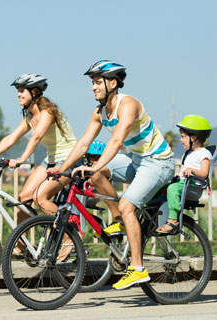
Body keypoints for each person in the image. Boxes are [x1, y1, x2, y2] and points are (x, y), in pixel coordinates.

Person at [53, 59, 175, 290]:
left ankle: (137, 269)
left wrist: (95, 165)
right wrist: (60, 170)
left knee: (128, 204)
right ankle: (119, 220)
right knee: (96, 176)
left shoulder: (128, 104)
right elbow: (82, 145)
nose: (93, 87)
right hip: (137, 160)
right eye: (92, 83)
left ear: (113, 83)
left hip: (158, 162)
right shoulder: (99, 112)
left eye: (97, 82)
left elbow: (117, 140)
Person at [0, 73, 77, 256]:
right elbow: (11, 138)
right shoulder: (30, 116)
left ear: (35, 92)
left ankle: (69, 238)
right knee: (23, 198)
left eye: (22, 90)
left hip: (70, 158)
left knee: (41, 198)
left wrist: (22, 159)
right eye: (18, 91)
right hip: (52, 160)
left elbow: (37, 136)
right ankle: (22, 245)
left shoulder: (48, 112)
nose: (18, 94)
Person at [156, 115, 212, 234]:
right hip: (183, 183)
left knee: (172, 188)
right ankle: (152, 212)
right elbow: (181, 172)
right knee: (158, 184)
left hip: (193, 187)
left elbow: (204, 174)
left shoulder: (204, 153)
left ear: (193, 137)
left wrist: (192, 170)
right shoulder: (187, 154)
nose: (180, 139)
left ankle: (172, 220)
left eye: (182, 137)